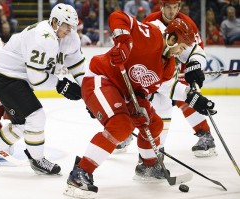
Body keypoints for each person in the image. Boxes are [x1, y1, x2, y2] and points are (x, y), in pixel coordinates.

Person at [64, 11, 215, 198]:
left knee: (154, 124)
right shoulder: (151, 35)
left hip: (129, 92)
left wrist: (194, 98)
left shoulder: (168, 66)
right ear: (173, 38)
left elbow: (169, 87)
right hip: (102, 79)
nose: (180, 52)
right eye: (181, 47)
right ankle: (80, 173)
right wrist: (124, 41)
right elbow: (118, 16)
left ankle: (149, 167)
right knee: (121, 126)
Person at [0, 3, 85, 175]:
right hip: (3, 75)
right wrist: (62, 85)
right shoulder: (43, 37)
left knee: (25, 122)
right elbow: (37, 78)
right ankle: (37, 160)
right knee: (36, 116)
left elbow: (77, 64)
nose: (69, 30)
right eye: (66, 25)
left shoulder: (69, 37)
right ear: (54, 21)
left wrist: (88, 91)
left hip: (12, 75)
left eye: (72, 26)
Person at [134, 0, 217, 157]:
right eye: (168, 8)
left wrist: (193, 66)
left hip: (181, 68)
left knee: (185, 97)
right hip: (156, 67)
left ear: (179, 7)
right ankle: (134, 136)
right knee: (144, 101)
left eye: (174, 8)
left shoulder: (187, 23)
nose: (171, 12)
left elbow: (196, 51)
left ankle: (205, 134)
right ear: (161, 6)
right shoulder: (151, 21)